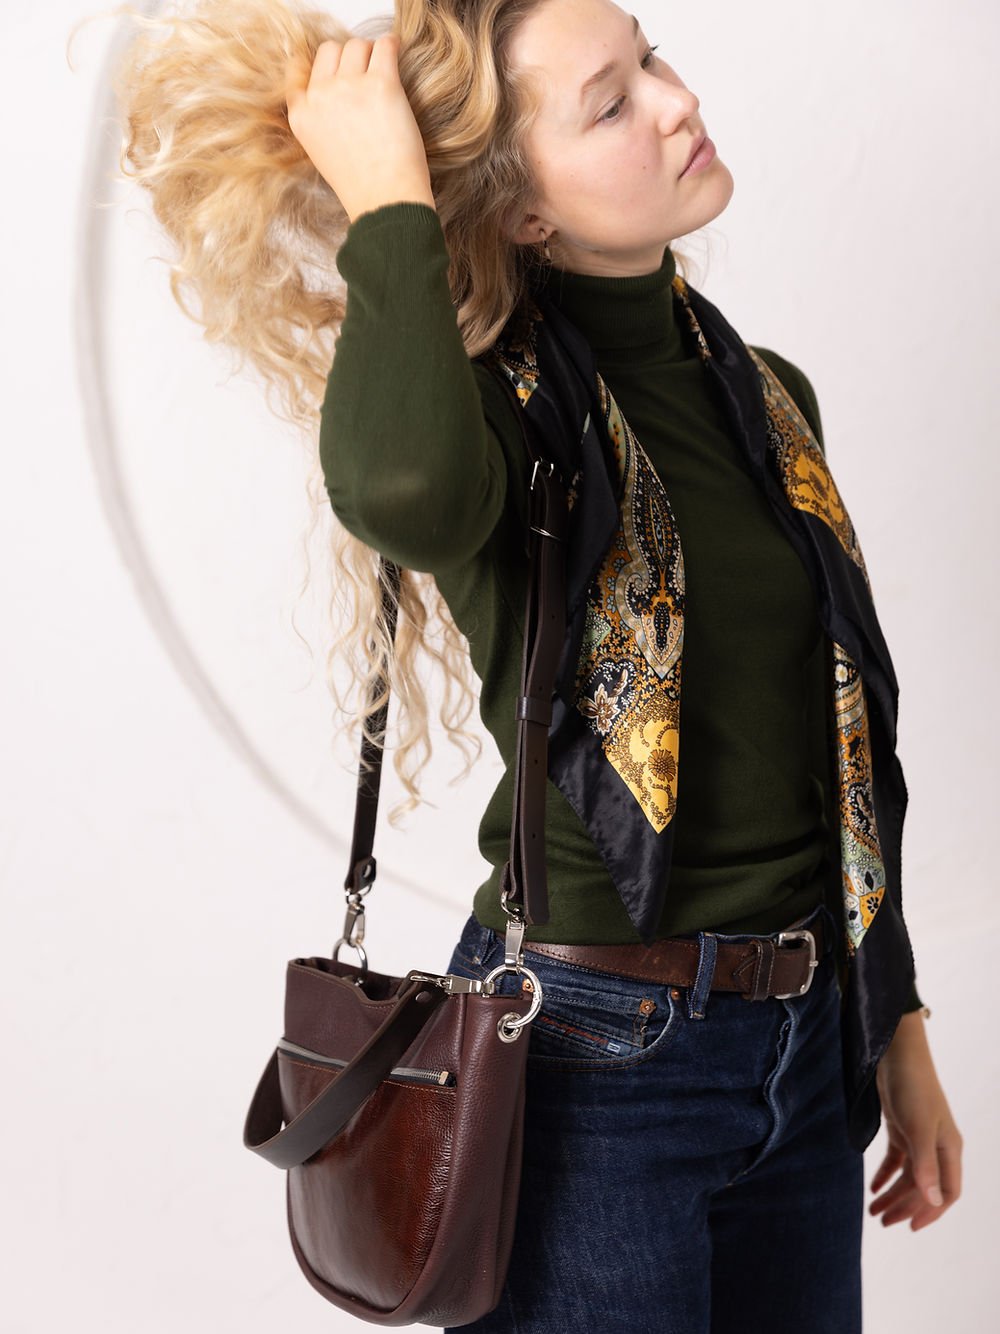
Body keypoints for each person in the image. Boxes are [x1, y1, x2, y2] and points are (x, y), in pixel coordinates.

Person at [112, 0, 963, 1328]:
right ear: (521, 211)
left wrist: (894, 1023)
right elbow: (395, 485)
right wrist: (392, 194)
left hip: (804, 1056)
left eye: (652, 58)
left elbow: (835, 743)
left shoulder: (770, 392)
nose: (676, 103)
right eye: (611, 103)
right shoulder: (495, 413)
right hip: (593, 1057)